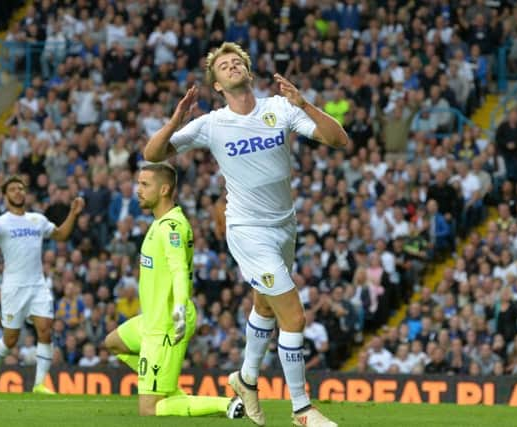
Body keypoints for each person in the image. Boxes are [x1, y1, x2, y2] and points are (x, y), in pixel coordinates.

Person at [144, 42, 348, 427]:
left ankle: (246, 378)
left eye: (237, 61)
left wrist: (304, 104)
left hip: (284, 226)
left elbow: (339, 140)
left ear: (249, 72)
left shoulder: (279, 108)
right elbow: (154, 154)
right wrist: (175, 120)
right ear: (217, 84)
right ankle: (301, 409)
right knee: (293, 317)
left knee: (266, 306)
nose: (232, 65)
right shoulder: (211, 123)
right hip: (247, 230)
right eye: (224, 65)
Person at [104, 163, 243, 418]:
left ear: (165, 189)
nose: (138, 190)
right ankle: (166, 387)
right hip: (152, 320)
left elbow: (179, 270)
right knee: (113, 343)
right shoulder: (160, 223)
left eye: (145, 184)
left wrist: (179, 306)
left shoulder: (172, 227)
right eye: (138, 183)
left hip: (167, 323)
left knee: (149, 409)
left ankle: (227, 405)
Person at [0, 175, 84, 394]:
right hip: (13, 288)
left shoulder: (37, 220)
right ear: (5, 196)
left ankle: (40, 384)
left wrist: (73, 214)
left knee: (45, 330)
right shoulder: (0, 222)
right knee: (10, 340)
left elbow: (60, 235)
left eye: (21, 188)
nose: (19, 192)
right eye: (13, 189)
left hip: (38, 286)